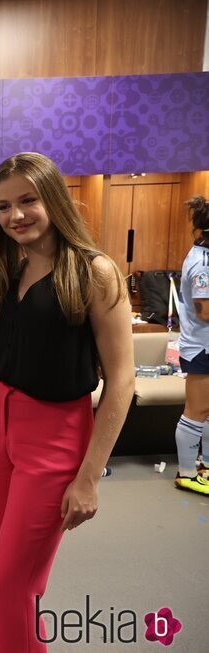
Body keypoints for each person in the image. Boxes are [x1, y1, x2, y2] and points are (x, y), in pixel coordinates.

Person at [0, 152, 134, 652]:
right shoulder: (8, 270)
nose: (15, 215)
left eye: (27, 200)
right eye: (3, 206)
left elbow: (122, 380)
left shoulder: (94, 270)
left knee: (10, 584)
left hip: (54, 438)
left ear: (54, 200)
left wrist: (88, 478)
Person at [172, 195, 209, 495]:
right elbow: (205, 311)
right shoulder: (202, 262)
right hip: (200, 347)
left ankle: (205, 466)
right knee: (196, 410)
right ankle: (187, 473)